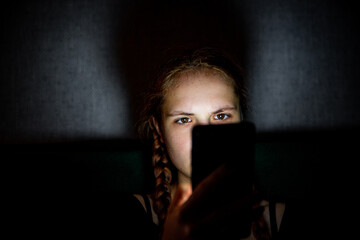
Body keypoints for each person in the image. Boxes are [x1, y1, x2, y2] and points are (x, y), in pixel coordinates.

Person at [131, 47, 286, 240]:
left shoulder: (281, 219)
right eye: (184, 120)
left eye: (221, 116)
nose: (205, 133)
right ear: (159, 129)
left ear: (241, 120)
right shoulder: (128, 216)